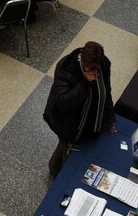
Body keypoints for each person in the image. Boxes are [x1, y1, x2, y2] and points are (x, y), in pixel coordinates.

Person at [43, 41, 116, 176]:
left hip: (88, 118)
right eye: (91, 68)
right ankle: (59, 177)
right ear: (82, 60)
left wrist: (110, 117)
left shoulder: (103, 64)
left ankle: (54, 169)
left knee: (64, 147)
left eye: (96, 68)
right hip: (67, 122)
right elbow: (63, 101)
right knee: (68, 153)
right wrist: (84, 82)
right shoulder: (66, 68)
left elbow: (106, 91)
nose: (95, 72)